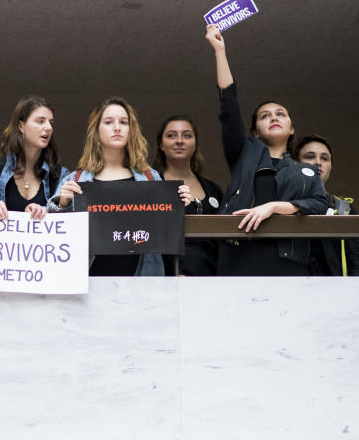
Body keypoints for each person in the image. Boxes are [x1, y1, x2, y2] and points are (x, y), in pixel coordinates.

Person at [205, 24, 327, 276]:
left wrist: (273, 207)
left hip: (288, 264)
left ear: (292, 128)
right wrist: (220, 52)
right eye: (265, 116)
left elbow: (318, 204)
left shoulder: (305, 170)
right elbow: (229, 104)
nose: (274, 117)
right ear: (254, 131)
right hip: (239, 257)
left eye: (280, 114)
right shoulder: (244, 152)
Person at [48, 97, 194, 276]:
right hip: (89, 284)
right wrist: (62, 204)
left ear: (131, 130)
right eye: (109, 122)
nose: (117, 127)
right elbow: (52, 239)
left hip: (141, 282)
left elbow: (164, 233)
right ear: (96, 130)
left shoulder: (150, 177)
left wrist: (179, 204)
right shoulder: (75, 179)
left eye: (124, 122)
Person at [0, 96, 68, 222]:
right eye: (40, 121)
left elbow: (66, 220)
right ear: (21, 126)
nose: (49, 127)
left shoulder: (61, 175)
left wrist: (45, 211)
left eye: (51, 123)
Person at [153, 115, 224, 276]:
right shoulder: (151, 187)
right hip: (165, 280)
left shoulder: (213, 190)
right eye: (171, 135)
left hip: (209, 280)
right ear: (161, 145)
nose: (179, 141)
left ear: (195, 144)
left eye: (187, 135)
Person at [294, 135, 359, 276]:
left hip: (334, 290)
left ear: (330, 166)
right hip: (290, 287)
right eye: (310, 156)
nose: (318, 162)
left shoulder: (344, 208)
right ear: (295, 163)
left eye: (324, 158)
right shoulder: (282, 203)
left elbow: (355, 259)